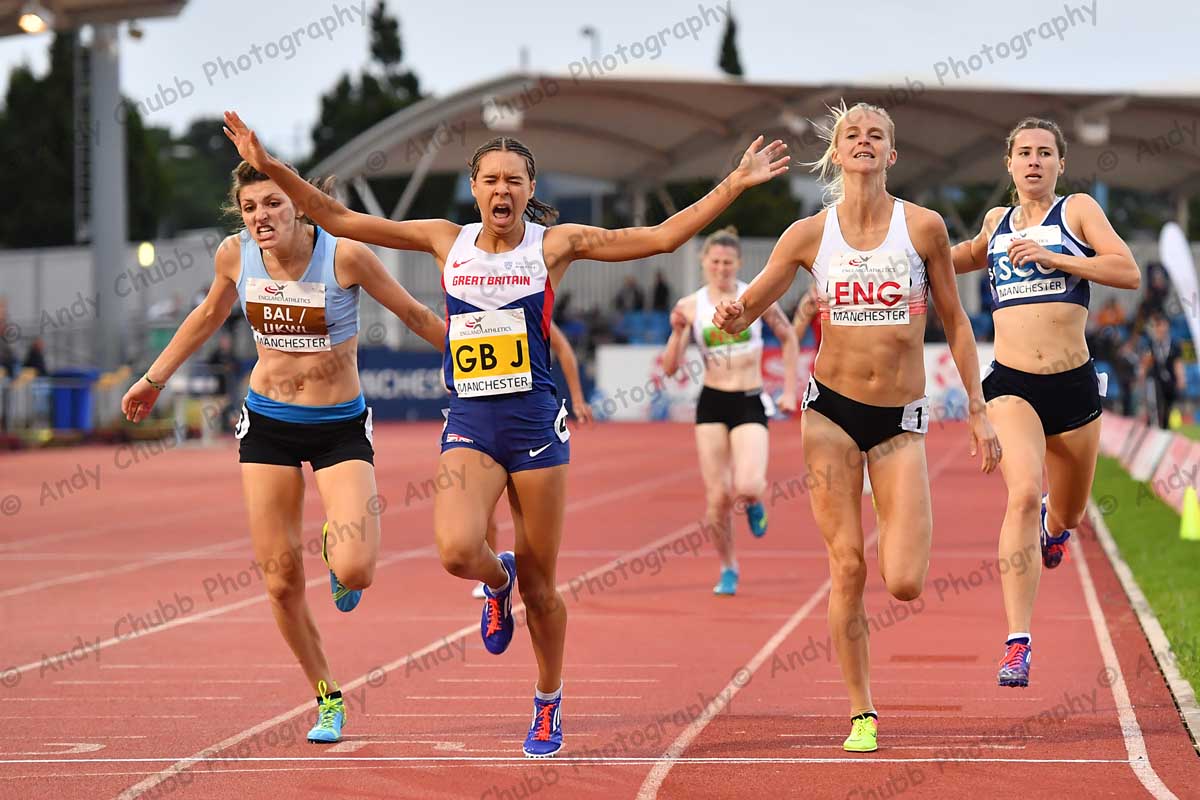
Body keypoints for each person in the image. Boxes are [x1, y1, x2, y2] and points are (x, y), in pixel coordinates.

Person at [224, 109, 788, 758]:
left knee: (544, 590)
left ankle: (548, 701)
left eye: (514, 180)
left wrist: (733, 184)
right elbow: (337, 217)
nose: (502, 190)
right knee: (457, 551)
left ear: (529, 188)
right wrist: (269, 167)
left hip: (535, 426)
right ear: (474, 188)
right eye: (490, 179)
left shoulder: (555, 245)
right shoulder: (445, 240)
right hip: (471, 421)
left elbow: (660, 238)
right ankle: (497, 581)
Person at [120, 160, 447, 745]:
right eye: (249, 208)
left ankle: (334, 549)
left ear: (298, 203)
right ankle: (327, 695)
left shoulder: (345, 255)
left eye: (272, 203)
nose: (260, 217)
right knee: (280, 583)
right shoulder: (235, 255)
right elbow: (207, 315)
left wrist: (483, 361)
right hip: (269, 424)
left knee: (356, 569)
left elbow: (414, 314)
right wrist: (154, 378)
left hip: (338, 427)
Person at [713, 101, 999, 754]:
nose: (863, 141)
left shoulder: (922, 227)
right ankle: (861, 711)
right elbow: (750, 306)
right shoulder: (807, 234)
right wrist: (732, 314)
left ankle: (895, 516)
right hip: (831, 413)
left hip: (900, 420)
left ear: (891, 154)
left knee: (904, 580)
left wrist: (978, 407)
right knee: (846, 566)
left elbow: (955, 321)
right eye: (852, 135)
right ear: (837, 153)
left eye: (875, 135)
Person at [951, 117, 1139, 688]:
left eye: (1044, 153)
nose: (1034, 161)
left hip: (1073, 385)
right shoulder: (996, 221)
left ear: (1060, 164)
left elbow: (1126, 271)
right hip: (1012, 384)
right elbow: (959, 257)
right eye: (1024, 152)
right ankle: (1018, 643)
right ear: (1009, 164)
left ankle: (1055, 531)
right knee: (1023, 494)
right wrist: (904, 254)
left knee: (1071, 514)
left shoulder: (1077, 210)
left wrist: (1060, 259)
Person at [662, 225, 798, 595]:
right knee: (718, 499)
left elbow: (788, 337)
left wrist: (789, 389)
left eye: (728, 262)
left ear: (738, 264)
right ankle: (728, 567)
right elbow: (671, 368)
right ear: (704, 261)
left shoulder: (754, 297)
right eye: (715, 261)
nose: (721, 268)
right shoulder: (690, 306)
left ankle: (753, 501)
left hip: (749, 398)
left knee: (748, 485)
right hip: (712, 401)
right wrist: (677, 333)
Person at [471, 321, 594, 599]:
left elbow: (564, 349)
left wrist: (577, 399)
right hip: (478, 418)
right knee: (479, 511)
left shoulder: (533, 311)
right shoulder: (466, 312)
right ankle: (494, 574)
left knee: (529, 523)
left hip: (527, 421)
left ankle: (519, 579)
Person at [1142, 312, 1185, 429]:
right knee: (1155, 404)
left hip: (1170, 379)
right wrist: (1143, 375)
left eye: (1161, 325)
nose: (1159, 329)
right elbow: (1146, 362)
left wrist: (1181, 378)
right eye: (1157, 326)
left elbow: (1177, 363)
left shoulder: (1173, 344)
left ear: (1166, 326)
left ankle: (1165, 428)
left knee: (1168, 406)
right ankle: (1154, 427)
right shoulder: (1151, 344)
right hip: (1155, 378)